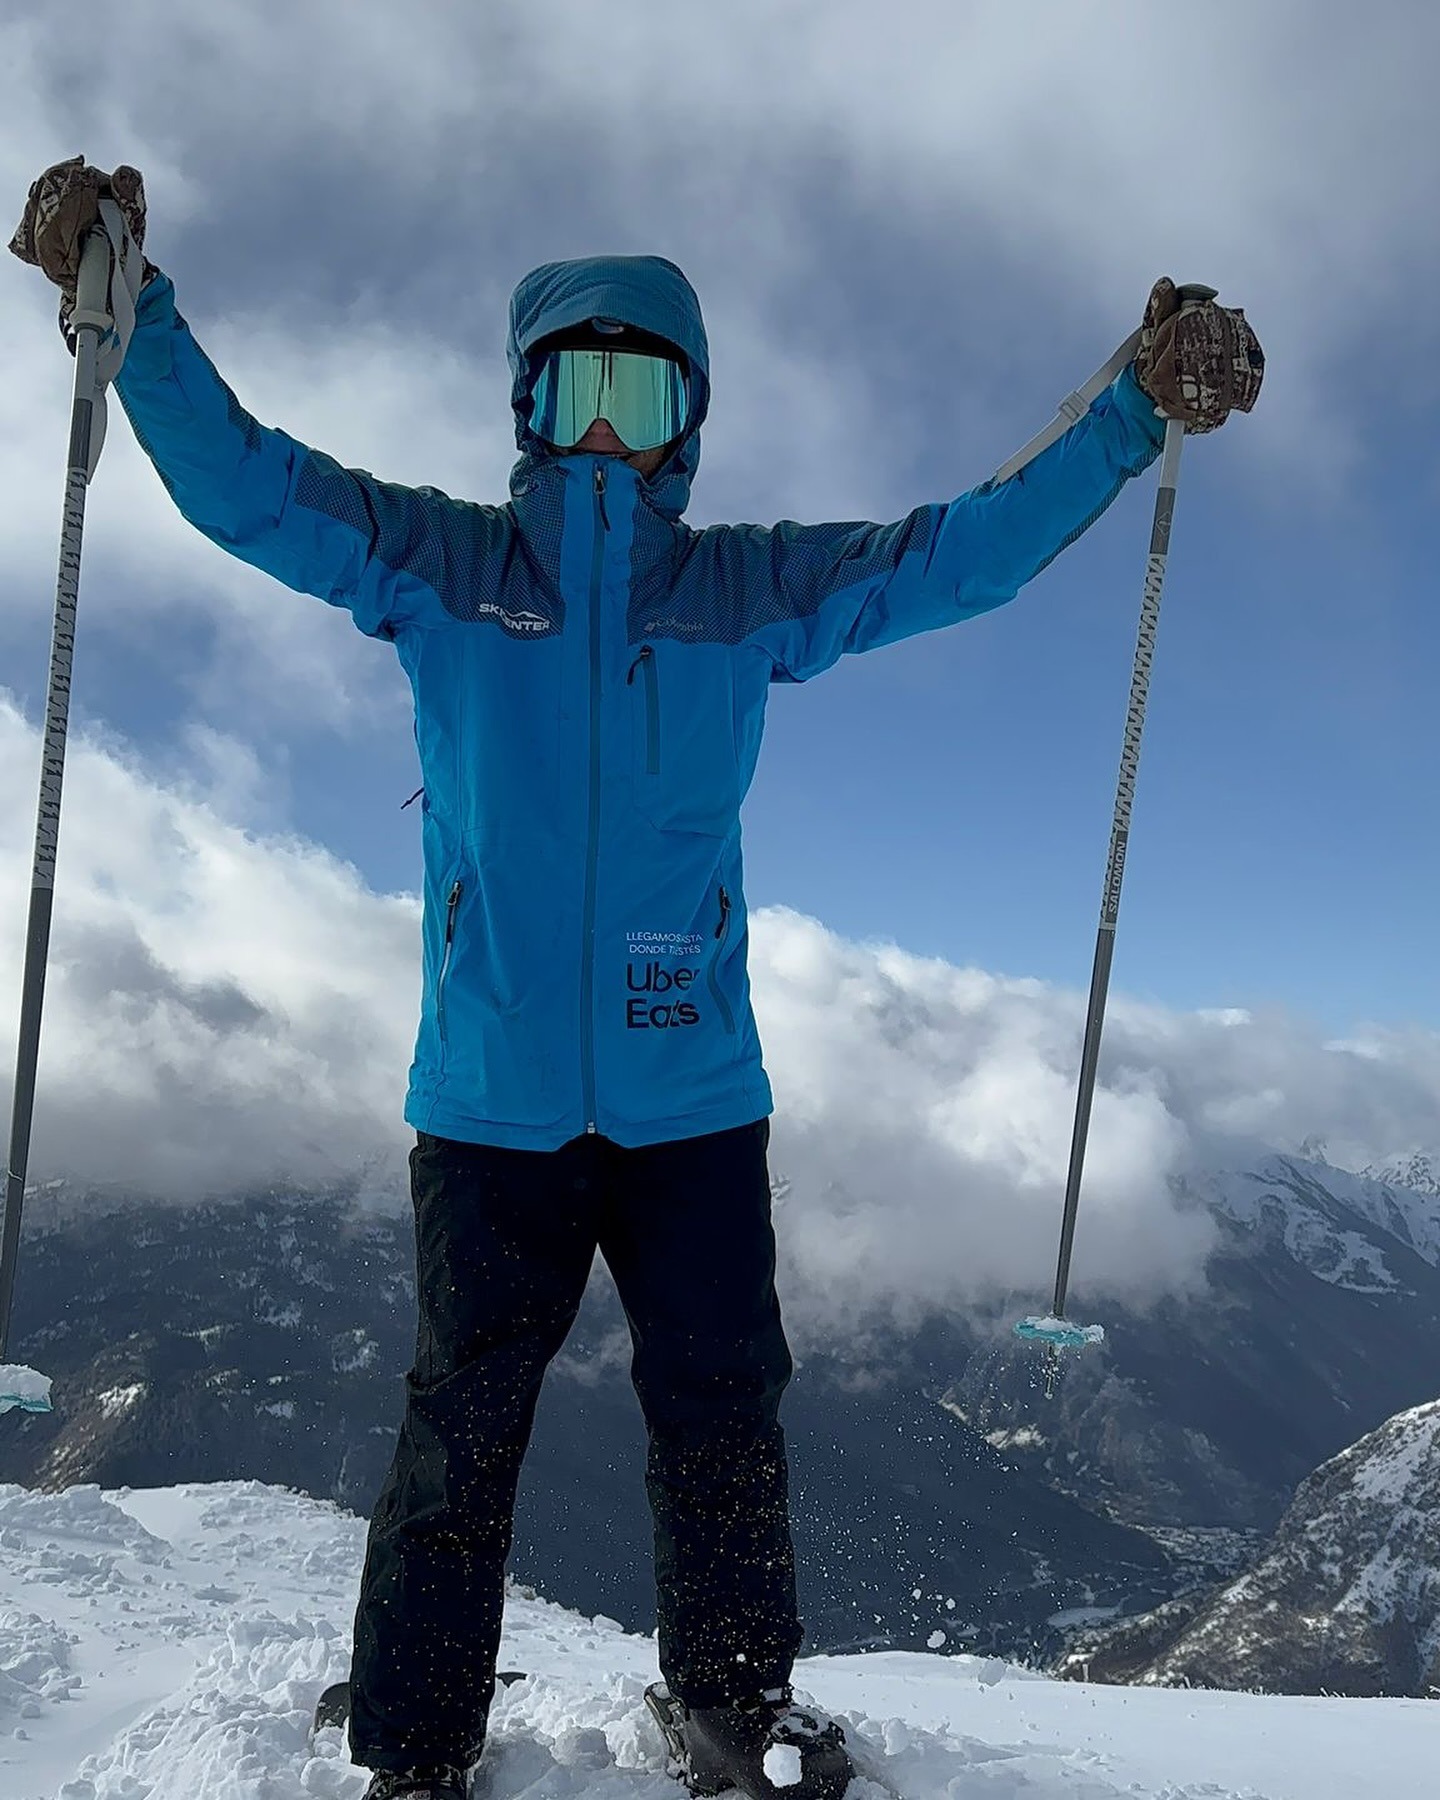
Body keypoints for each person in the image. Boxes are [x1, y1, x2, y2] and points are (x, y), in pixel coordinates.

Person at [11, 160, 1262, 1800]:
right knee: (460, 1432)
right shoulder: (443, 566)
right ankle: (414, 1743)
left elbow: (956, 555)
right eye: (575, 391)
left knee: (721, 1409)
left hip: (692, 1103)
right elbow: (250, 489)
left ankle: (733, 1702)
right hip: (491, 1105)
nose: (607, 430)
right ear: (528, 408)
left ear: (689, 423)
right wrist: (136, 317)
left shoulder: (743, 592)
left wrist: (1129, 410)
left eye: (642, 394)